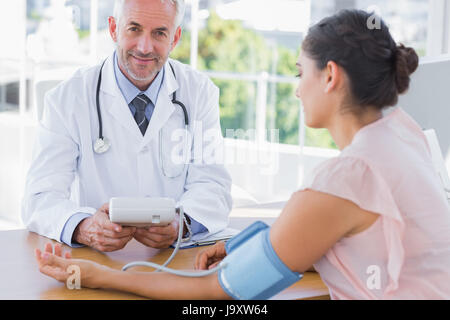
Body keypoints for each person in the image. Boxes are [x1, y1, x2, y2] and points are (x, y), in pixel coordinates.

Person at [35, 9, 450, 299]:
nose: (295, 88)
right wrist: (241, 247)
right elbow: (321, 235)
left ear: (330, 76)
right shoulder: (405, 135)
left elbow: (219, 290)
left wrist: (99, 276)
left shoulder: (343, 180)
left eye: (298, 72)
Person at [22, 0, 232, 252]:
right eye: (134, 29)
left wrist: (181, 224)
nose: (144, 47)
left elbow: (213, 185)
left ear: (175, 37)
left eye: (159, 33)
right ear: (113, 29)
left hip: (171, 260)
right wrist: (85, 227)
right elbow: (40, 198)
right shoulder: (66, 99)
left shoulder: (199, 92)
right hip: (98, 263)